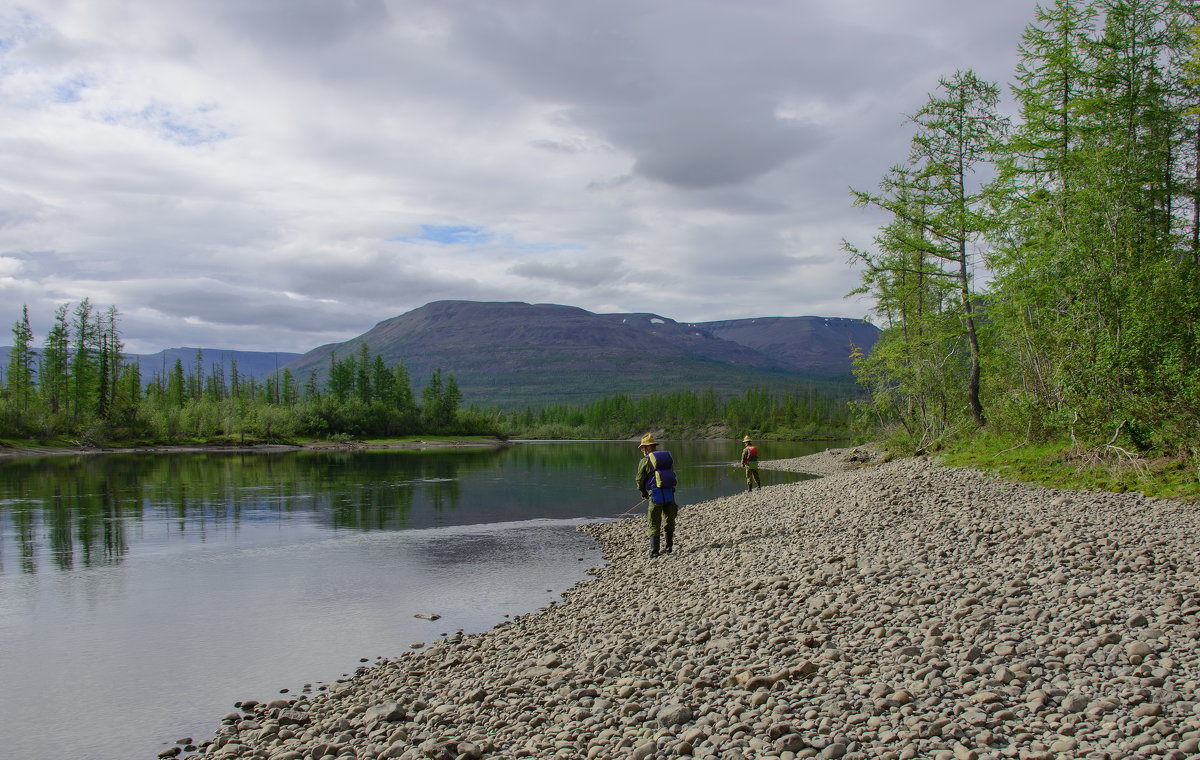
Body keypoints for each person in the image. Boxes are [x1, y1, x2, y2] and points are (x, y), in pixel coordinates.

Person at [636, 433, 678, 558]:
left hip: (655, 495)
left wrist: (643, 492)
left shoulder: (645, 461)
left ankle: (654, 552)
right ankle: (669, 547)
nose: (642, 450)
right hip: (669, 493)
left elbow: (639, 479)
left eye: (643, 447)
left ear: (648, 447)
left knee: (654, 522)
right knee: (669, 520)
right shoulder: (666, 459)